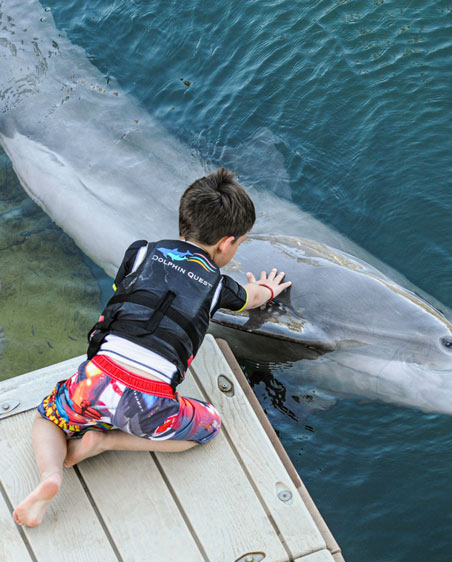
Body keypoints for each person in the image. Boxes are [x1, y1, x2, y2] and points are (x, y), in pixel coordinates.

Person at [12, 168, 289, 528]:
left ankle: (50, 476)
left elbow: (122, 296)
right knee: (208, 428)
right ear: (226, 244)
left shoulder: (140, 252)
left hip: (96, 379)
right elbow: (251, 299)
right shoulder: (219, 287)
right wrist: (268, 289)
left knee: (46, 419)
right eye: (239, 244)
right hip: (147, 402)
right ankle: (105, 443)